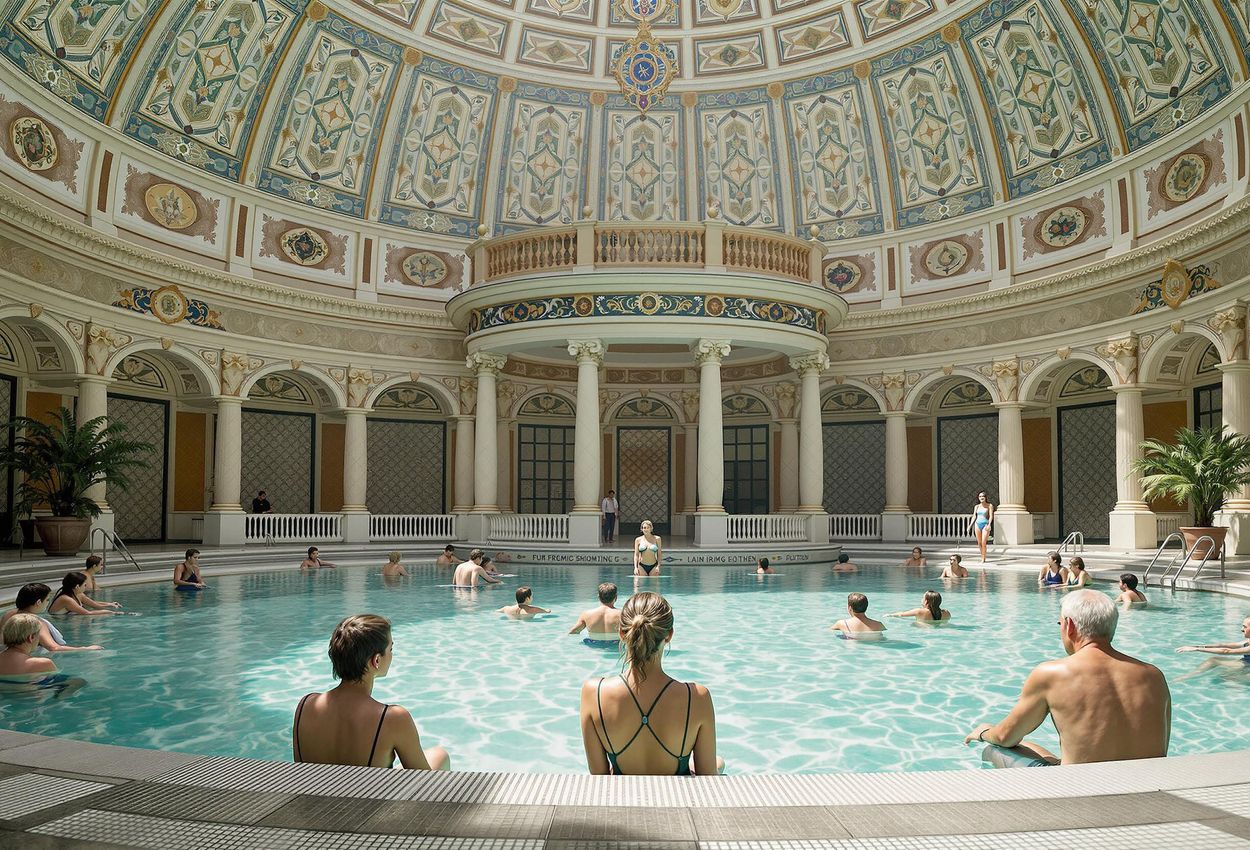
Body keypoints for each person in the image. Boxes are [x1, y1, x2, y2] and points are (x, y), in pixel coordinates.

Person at [965, 590, 1171, 766]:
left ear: (1069, 625)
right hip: (1149, 789)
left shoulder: (1052, 674)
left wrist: (984, 732)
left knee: (994, 750)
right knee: (1030, 747)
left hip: (1080, 792)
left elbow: (1005, 737)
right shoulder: (1154, 675)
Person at [579, 592, 720, 775]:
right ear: (669, 635)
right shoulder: (697, 696)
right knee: (719, 763)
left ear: (622, 633)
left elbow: (599, 777)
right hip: (677, 799)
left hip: (623, 799)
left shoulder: (594, 692)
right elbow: (708, 779)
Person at [293, 614, 450, 770]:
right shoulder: (393, 717)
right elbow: (425, 782)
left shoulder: (306, 705)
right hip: (369, 794)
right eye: (391, 649)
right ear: (376, 660)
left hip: (313, 793)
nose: (392, 654)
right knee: (439, 756)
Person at [0, 584, 102, 652]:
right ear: (38, 602)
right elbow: (54, 648)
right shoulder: (36, 623)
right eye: (47, 600)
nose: (48, 603)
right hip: (29, 662)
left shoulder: (8, 615)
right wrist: (86, 648)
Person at [570, 583, 623, 647]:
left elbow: (573, 632)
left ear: (599, 597)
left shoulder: (587, 614)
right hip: (616, 645)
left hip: (594, 645)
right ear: (616, 597)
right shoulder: (623, 614)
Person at [47, 572, 121, 616]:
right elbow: (87, 613)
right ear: (77, 586)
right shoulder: (66, 599)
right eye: (84, 585)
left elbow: (94, 604)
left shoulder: (78, 594)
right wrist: (110, 612)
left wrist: (110, 604)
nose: (86, 586)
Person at [1176, 616, 1250, 660]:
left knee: (1226, 677)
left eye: (1245, 627)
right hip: (1245, 663)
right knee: (1213, 660)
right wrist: (1195, 646)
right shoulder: (1247, 641)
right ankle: (1181, 678)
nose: (1241, 629)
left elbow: (1226, 651)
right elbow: (1222, 645)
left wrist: (1197, 649)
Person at [968, 491, 994, 563]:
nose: (981, 498)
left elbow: (991, 516)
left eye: (983, 496)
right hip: (977, 524)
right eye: (980, 496)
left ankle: (983, 558)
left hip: (985, 524)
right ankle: (982, 557)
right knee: (979, 543)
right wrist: (970, 526)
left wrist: (989, 524)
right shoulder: (976, 506)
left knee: (983, 542)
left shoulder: (989, 506)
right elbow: (974, 516)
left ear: (985, 497)